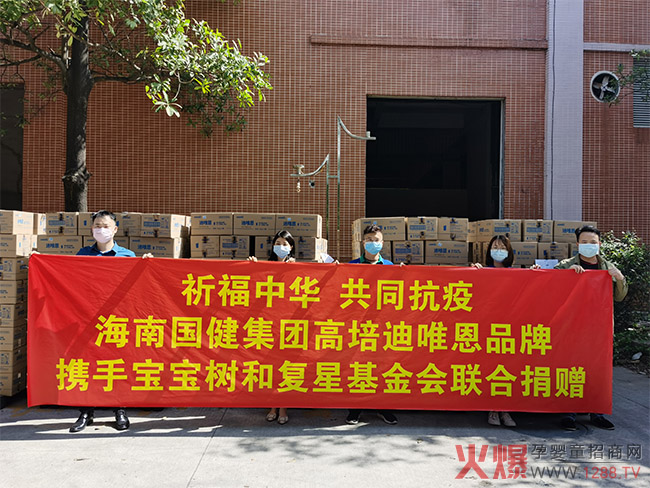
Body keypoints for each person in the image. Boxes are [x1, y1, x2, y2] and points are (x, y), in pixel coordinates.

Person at [70, 210, 151, 433]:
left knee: (117, 365)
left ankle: (120, 409)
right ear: (91, 229)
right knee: (88, 365)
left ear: (115, 229)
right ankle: (86, 412)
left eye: (105, 226)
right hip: (88, 319)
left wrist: (147, 265)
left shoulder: (127, 255)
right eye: (97, 226)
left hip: (117, 320)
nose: (101, 230)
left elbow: (140, 286)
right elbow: (68, 277)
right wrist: (40, 260)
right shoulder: (83, 254)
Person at [555, 225, 627, 431]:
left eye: (593, 242)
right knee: (570, 368)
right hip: (572, 327)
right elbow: (550, 286)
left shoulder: (608, 267)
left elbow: (620, 296)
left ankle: (596, 412)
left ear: (599, 244)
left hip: (598, 329)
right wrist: (566, 275)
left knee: (597, 370)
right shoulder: (566, 265)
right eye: (584, 242)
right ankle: (568, 413)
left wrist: (619, 278)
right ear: (578, 244)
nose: (589, 245)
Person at [471, 235, 528, 427]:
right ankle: (493, 409)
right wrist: (473, 272)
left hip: (510, 329)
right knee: (492, 369)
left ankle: (505, 409)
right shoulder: (483, 271)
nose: (498, 250)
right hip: (488, 328)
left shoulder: (517, 274)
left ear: (509, 251)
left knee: (508, 369)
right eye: (495, 246)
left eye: (502, 247)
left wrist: (536, 273)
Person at [346, 224, 398, 425]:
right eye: (369, 240)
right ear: (363, 242)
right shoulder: (351, 266)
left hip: (382, 326)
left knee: (382, 367)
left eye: (376, 240)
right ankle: (355, 408)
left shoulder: (390, 267)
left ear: (382, 243)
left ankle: (383, 407)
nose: (373, 243)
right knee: (357, 366)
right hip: (358, 326)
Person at [249, 230, 296, 425]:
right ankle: (272, 406)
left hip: (288, 325)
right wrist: (251, 266)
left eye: (285, 244)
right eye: (278, 243)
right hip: (267, 325)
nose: (281, 247)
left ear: (291, 247)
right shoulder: (265, 266)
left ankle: (283, 407)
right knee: (270, 368)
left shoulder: (297, 267)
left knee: (285, 368)